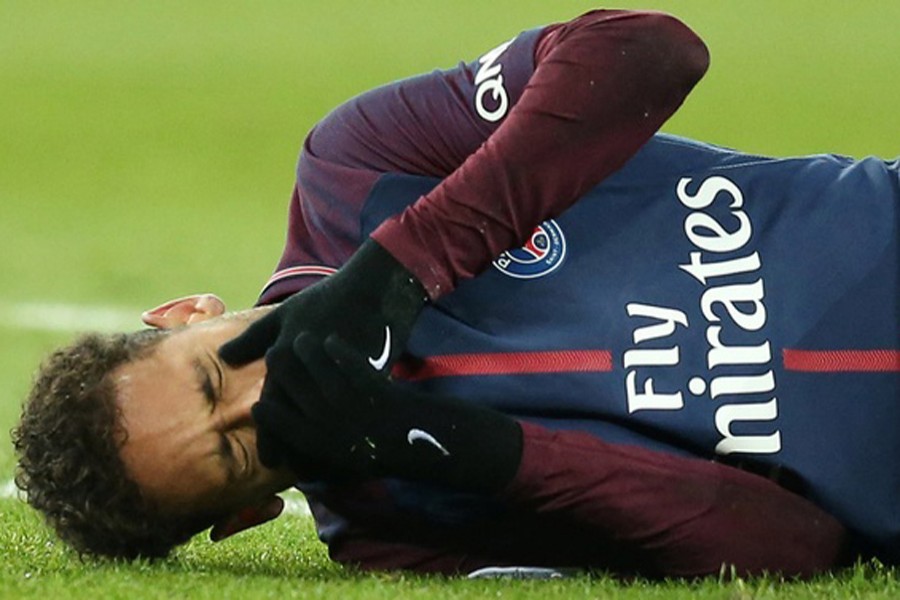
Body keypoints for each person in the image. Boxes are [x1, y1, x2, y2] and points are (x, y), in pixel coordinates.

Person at [13, 6, 898, 578]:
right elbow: (794, 551)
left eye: (213, 377)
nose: (261, 398)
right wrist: (460, 450)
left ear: (185, 313)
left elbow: (650, 48)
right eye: (238, 451)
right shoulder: (398, 529)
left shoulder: (357, 168)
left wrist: (395, 271)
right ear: (249, 514)